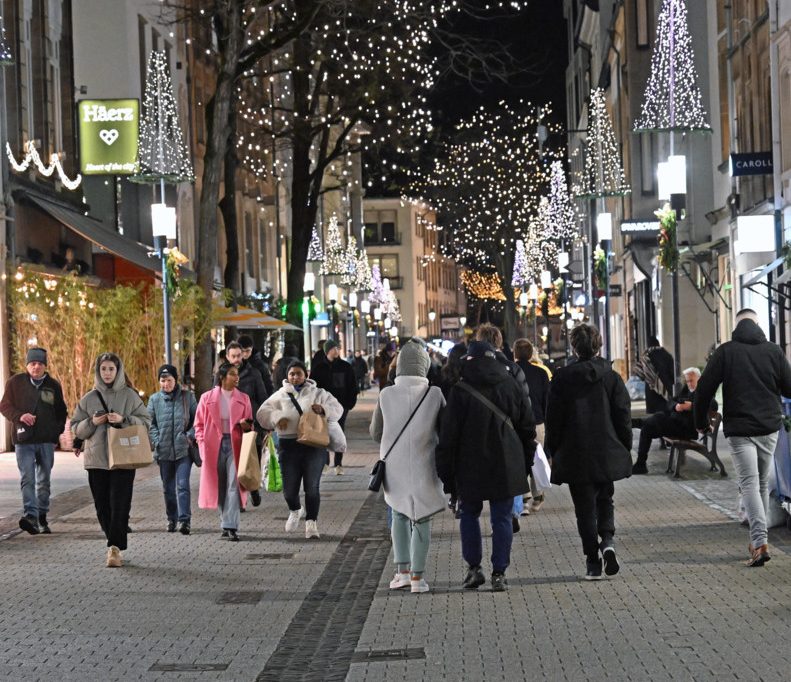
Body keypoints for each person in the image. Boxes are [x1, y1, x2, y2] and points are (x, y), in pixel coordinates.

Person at [694, 308, 791, 567]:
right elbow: (789, 387)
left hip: (740, 430)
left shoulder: (726, 351)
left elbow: (703, 388)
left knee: (749, 483)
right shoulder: (773, 351)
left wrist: (701, 422)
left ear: (736, 326)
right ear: (758, 325)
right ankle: (757, 541)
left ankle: (759, 542)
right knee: (758, 483)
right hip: (769, 428)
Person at [436, 340, 535, 592]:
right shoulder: (510, 384)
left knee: (469, 514)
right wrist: (525, 461)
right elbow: (527, 427)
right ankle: (499, 572)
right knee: (502, 517)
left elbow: (448, 437)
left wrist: (447, 475)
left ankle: (474, 568)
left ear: (468, 361)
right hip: (506, 460)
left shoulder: (460, 390)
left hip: (469, 463)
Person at [545, 324, 632, 580]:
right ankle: (607, 540)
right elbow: (623, 415)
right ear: (599, 345)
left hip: (575, 452)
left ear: (574, 347)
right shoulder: (611, 377)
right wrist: (624, 445)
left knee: (584, 508)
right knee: (606, 498)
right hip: (606, 449)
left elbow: (554, 419)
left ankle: (592, 561)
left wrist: (553, 448)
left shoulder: (562, 378)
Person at [370, 342, 446, 594]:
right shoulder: (434, 394)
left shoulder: (386, 394)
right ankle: (418, 577)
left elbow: (375, 432)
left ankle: (401, 571)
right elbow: (444, 430)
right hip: (425, 461)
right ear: (425, 366)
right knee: (422, 517)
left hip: (394, 464)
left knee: (399, 515)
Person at [70, 353, 151, 567]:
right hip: (96, 460)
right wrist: (92, 421)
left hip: (124, 458)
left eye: (111, 369)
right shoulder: (88, 398)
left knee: (120, 504)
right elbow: (75, 428)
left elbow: (146, 421)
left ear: (118, 371)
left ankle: (114, 548)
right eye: (103, 369)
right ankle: (112, 540)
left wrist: (124, 419)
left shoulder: (130, 396)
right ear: (98, 371)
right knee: (102, 505)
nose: (107, 373)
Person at [257, 360, 343, 539]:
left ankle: (311, 523)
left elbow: (338, 409)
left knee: (312, 487)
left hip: (314, 446)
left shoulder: (318, 393)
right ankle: (295, 509)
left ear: (306, 375)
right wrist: (276, 417)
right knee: (289, 489)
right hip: (288, 447)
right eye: (292, 374)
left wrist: (324, 409)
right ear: (287, 376)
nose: (295, 377)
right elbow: (262, 413)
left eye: (299, 373)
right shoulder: (280, 395)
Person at [0, 347, 68, 535]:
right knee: (27, 478)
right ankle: (30, 515)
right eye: (32, 363)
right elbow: (4, 406)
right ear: (27, 365)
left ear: (45, 366)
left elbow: (61, 411)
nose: (36, 367)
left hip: (46, 440)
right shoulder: (15, 383)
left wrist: (56, 432)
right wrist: (20, 416)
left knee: (44, 480)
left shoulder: (53, 385)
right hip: (24, 440)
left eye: (39, 363)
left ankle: (42, 515)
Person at [474, 323, 533, 529]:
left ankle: (503, 512)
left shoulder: (471, 370)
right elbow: (525, 402)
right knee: (511, 472)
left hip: (480, 429)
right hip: (510, 429)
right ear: (499, 342)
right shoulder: (513, 368)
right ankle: (514, 510)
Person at [195, 363, 254, 541]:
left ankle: (231, 525)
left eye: (237, 375)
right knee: (219, 486)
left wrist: (246, 425)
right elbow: (198, 424)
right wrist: (202, 443)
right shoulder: (206, 398)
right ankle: (225, 522)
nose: (237, 378)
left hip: (236, 444)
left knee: (233, 484)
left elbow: (250, 423)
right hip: (213, 445)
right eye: (233, 374)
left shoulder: (244, 398)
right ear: (222, 377)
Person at [632, 367, 716, 475]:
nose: (689, 383)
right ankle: (640, 464)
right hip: (675, 422)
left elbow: (714, 404)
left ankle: (637, 424)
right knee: (652, 423)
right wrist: (676, 406)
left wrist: (692, 406)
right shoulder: (687, 389)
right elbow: (671, 401)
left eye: (691, 381)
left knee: (653, 421)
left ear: (699, 379)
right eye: (687, 381)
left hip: (686, 429)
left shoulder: (704, 391)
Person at [147, 364, 198, 535]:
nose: (166, 383)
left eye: (169, 380)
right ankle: (172, 518)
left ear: (176, 380)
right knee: (167, 488)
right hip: (164, 452)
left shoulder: (187, 397)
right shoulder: (154, 400)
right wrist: (156, 440)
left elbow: (197, 421)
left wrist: (189, 436)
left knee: (182, 485)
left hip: (184, 450)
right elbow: (150, 423)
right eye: (162, 380)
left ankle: (185, 521)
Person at [223, 340, 269, 505]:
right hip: (230, 427)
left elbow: (262, 398)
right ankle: (238, 500)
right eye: (233, 356)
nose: (236, 359)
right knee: (233, 463)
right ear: (227, 357)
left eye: (238, 355)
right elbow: (215, 398)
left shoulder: (253, 373)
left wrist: (264, 423)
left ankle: (253, 489)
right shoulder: (221, 375)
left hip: (250, 425)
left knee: (250, 462)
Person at [310, 339, 358, 474]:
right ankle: (325, 463)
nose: (336, 351)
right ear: (327, 351)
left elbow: (352, 386)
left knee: (339, 432)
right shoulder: (319, 368)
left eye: (337, 348)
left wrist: (350, 403)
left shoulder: (345, 367)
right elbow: (313, 387)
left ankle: (338, 464)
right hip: (323, 407)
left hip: (341, 406)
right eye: (333, 348)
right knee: (324, 432)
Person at [514, 338, 550, 513]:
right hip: (537, 422)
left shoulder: (511, 372)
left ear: (515, 353)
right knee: (537, 458)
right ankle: (538, 495)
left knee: (520, 459)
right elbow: (547, 401)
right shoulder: (541, 373)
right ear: (531, 354)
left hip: (518, 424)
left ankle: (524, 498)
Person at [638, 336, 675, 415]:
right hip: (666, 388)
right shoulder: (667, 354)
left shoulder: (645, 356)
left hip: (651, 391)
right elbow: (673, 373)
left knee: (654, 417)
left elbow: (640, 374)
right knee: (666, 413)